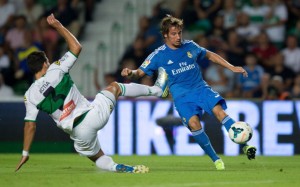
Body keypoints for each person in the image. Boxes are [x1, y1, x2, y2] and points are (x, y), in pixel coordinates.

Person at [15, 14, 166, 173]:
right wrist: (58, 25)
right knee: (115, 87)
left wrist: (25, 152)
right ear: (46, 63)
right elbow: (76, 47)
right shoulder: (56, 69)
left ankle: (116, 167)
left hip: (79, 133)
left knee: (97, 157)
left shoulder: (30, 95)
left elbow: (30, 125)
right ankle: (156, 90)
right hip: (91, 116)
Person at [121, 15, 257, 170]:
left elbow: (210, 55)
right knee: (194, 124)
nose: (178, 37)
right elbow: (139, 72)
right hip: (182, 97)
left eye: (179, 33)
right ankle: (216, 160)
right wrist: (130, 72)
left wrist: (232, 67)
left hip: (201, 89)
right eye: (174, 34)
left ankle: (244, 145)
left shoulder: (190, 46)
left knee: (220, 113)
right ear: (165, 35)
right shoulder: (158, 55)